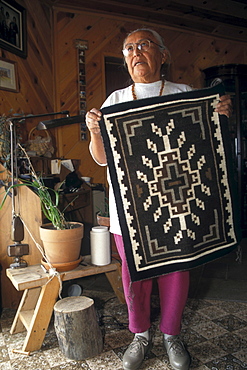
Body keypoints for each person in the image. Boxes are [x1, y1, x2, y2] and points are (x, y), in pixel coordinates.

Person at [86, 28, 232, 370]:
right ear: (125, 59)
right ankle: (140, 335)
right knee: (134, 278)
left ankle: (171, 335)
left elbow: (206, 147)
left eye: (144, 45)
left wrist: (218, 115)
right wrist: (95, 132)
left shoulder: (184, 94)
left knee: (177, 273)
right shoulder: (115, 102)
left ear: (163, 55)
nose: (136, 52)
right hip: (129, 211)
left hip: (176, 206)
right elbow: (102, 158)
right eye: (129, 48)